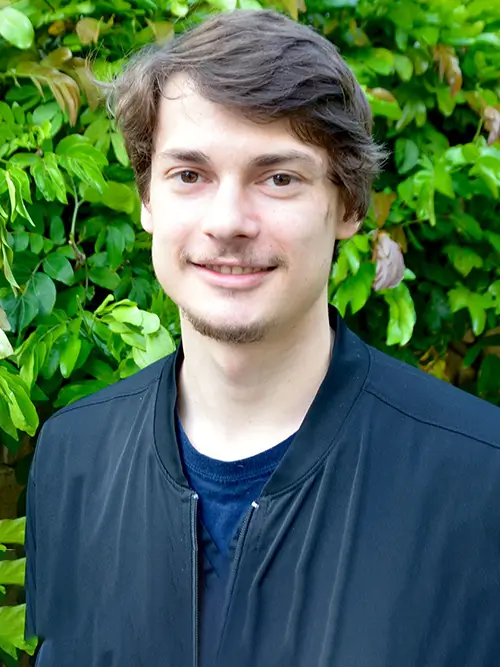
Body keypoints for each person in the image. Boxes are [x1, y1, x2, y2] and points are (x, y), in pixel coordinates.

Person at [24, 9, 500, 667]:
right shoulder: (72, 457)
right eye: (189, 174)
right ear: (147, 200)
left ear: (348, 206)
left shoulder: (480, 478)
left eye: (279, 177)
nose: (228, 222)